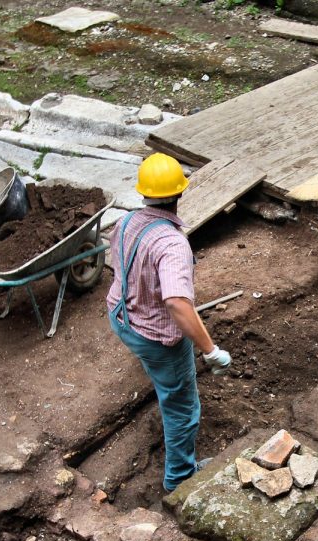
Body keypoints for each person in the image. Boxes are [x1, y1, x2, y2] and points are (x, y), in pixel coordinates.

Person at [106, 153, 231, 492]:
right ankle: (180, 479)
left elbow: (116, 262)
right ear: (180, 192)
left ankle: (156, 372)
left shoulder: (127, 221)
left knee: (163, 378)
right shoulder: (173, 243)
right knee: (182, 407)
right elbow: (176, 302)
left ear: (143, 191)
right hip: (153, 335)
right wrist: (210, 350)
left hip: (120, 316)